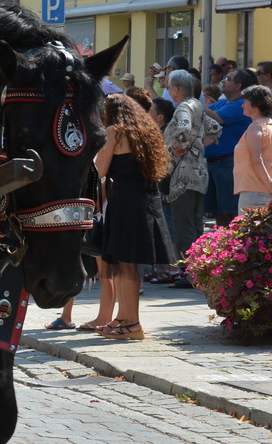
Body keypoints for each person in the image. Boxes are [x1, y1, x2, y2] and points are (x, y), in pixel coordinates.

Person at [89, 94, 174, 341]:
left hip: (126, 201)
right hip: (145, 199)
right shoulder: (146, 130)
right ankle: (123, 317)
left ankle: (133, 323)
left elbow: (99, 170)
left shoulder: (114, 131)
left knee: (124, 264)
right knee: (125, 263)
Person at [160, 69, 220, 285]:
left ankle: (191, 273)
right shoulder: (198, 105)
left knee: (183, 224)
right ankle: (199, 269)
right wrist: (198, 148)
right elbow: (215, 129)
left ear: (176, 89)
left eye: (169, 87)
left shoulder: (184, 107)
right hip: (199, 171)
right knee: (195, 224)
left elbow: (184, 129)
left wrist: (179, 147)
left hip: (182, 175)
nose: (168, 91)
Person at [202, 67, 257, 227]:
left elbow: (216, 118)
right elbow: (204, 114)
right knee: (218, 210)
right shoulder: (223, 102)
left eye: (228, 79)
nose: (223, 81)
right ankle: (223, 243)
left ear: (238, 86)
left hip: (227, 163)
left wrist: (192, 103)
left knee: (230, 210)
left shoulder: (240, 104)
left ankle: (235, 244)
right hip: (214, 162)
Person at [233, 86, 272, 212]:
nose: (243, 105)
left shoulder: (255, 127)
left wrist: (270, 185)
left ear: (255, 104)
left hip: (254, 191)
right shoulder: (271, 125)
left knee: (249, 231)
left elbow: (256, 160)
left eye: (245, 102)